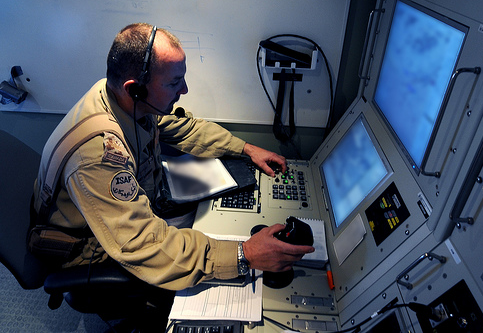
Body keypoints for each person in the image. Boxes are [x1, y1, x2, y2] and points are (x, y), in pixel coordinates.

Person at [32, 23, 314, 294]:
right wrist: (244, 255)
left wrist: (246, 148)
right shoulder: (98, 156)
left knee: (213, 215)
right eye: (175, 82)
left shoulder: (122, 96)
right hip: (89, 245)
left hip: (135, 209)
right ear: (134, 88)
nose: (185, 90)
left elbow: (186, 128)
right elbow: (141, 244)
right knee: (210, 268)